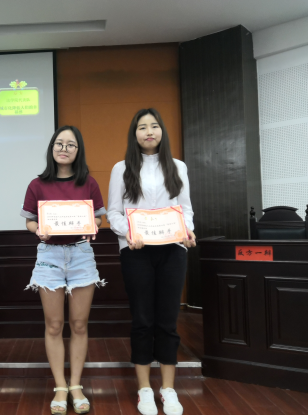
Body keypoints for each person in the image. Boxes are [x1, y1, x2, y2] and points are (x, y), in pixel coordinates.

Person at [107, 108, 196, 415]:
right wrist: (129, 233)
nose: (149, 131)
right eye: (142, 127)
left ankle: (168, 390)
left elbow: (185, 209)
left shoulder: (178, 166)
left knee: (168, 320)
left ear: (161, 131)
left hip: (173, 250)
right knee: (143, 319)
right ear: (134, 134)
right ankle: (144, 389)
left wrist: (188, 230)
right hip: (136, 251)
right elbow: (113, 212)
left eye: (154, 126)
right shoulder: (121, 168)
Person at [21, 126, 106, 415]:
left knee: (79, 324)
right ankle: (60, 386)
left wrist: (93, 226)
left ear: (78, 150)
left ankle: (76, 385)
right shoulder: (37, 184)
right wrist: (38, 230)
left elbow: (98, 219)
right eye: (59, 143)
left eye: (71, 145)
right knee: (54, 325)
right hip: (49, 255)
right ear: (52, 148)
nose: (64, 149)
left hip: (81, 254)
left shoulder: (89, 183)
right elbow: (30, 221)